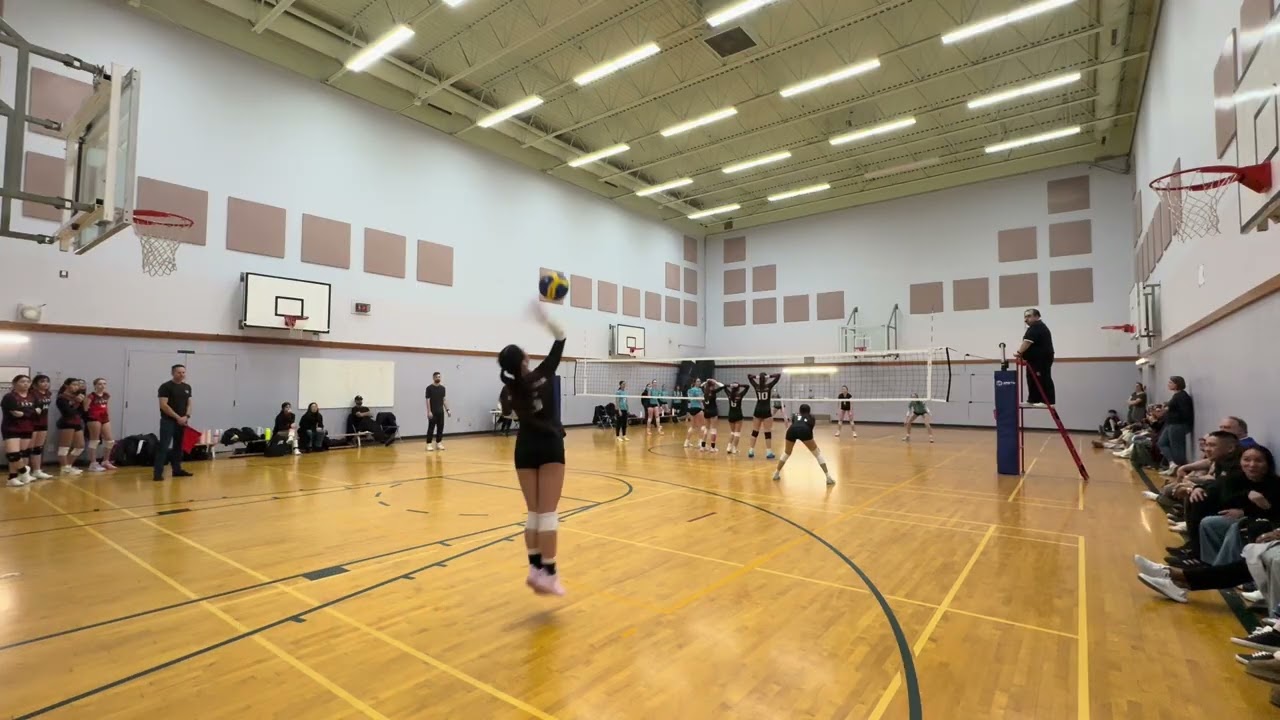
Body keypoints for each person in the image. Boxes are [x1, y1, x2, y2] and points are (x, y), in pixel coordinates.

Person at [498, 300, 568, 597]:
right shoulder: (543, 374)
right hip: (550, 447)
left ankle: (534, 567)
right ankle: (549, 574)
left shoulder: (509, 391)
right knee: (548, 515)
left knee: (533, 513)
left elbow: (508, 415)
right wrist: (544, 318)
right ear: (524, 358)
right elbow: (561, 337)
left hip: (524, 449)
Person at [773, 404, 835, 485]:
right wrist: (815, 447)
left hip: (791, 430)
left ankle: (776, 473)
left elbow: (795, 424)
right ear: (809, 411)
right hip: (805, 431)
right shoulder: (811, 417)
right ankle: (828, 477)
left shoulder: (795, 416)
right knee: (817, 454)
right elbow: (810, 430)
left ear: (800, 410)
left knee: (786, 453)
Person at [155, 364, 195, 482]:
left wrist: (186, 416)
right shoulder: (165, 387)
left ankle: (177, 470)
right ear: (173, 373)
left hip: (182, 422)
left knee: (178, 447)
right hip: (168, 421)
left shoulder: (187, 387)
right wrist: (178, 417)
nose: (182, 375)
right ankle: (158, 473)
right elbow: (163, 405)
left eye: (183, 372)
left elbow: (189, 403)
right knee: (164, 446)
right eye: (179, 372)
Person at [1013, 308, 1054, 406]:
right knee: (1031, 379)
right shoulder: (1033, 328)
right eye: (1025, 317)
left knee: (1043, 378)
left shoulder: (1037, 327)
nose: (1026, 319)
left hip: (1041, 359)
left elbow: (1027, 342)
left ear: (1037, 317)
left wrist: (1019, 352)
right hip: (1033, 360)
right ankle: (1033, 400)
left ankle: (1048, 401)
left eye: (1029, 316)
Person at [3, 374, 35, 486]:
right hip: (11, 428)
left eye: (28, 381)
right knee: (13, 455)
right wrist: (29, 412)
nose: (26, 383)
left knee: (21, 454)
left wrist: (25, 413)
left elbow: (37, 412)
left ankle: (12, 478)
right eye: (22, 381)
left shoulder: (32, 397)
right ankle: (24, 471)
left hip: (27, 428)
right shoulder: (9, 397)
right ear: (15, 383)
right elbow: (15, 413)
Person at [1157, 375, 1194, 471]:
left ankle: (1181, 468)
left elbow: (1185, 412)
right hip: (1171, 424)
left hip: (1178, 425)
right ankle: (1172, 463)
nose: (1168, 384)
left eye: (1171, 383)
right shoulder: (1176, 396)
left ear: (1177, 384)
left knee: (1177, 447)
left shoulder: (1182, 396)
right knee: (1162, 443)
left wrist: (1169, 410)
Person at [746, 372, 782, 459]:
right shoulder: (769, 386)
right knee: (767, 432)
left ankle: (751, 450)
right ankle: (768, 452)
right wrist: (768, 376)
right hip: (766, 410)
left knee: (755, 431)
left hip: (757, 410)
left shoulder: (756, 386)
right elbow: (778, 376)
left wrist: (756, 376)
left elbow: (749, 376)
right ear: (766, 379)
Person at [84, 377, 116, 472]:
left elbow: (106, 406)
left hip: (104, 418)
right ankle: (93, 463)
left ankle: (106, 461)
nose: (102, 386)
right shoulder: (91, 396)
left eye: (104, 384)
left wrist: (107, 416)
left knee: (110, 440)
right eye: (100, 384)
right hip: (94, 418)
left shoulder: (106, 395)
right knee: (95, 440)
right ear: (95, 386)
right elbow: (85, 409)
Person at [55, 378, 85, 476]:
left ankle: (68, 465)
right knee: (64, 447)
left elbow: (81, 411)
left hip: (76, 422)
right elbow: (68, 412)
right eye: (74, 384)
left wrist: (80, 402)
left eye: (77, 385)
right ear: (67, 385)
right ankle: (64, 468)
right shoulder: (62, 398)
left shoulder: (76, 397)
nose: (76, 387)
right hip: (67, 423)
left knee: (80, 446)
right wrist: (76, 402)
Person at [28, 374, 53, 481]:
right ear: (36, 383)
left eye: (47, 381)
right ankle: (25, 472)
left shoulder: (48, 393)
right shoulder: (32, 393)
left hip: (43, 422)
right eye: (42, 381)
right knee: (29, 448)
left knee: (38, 448)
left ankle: (37, 470)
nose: (45, 383)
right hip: (32, 423)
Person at [425, 372, 450, 451]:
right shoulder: (429, 388)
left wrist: (447, 410)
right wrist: (429, 411)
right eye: (436, 377)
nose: (438, 378)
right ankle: (429, 444)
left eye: (439, 377)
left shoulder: (443, 388)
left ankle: (438, 443)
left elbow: (444, 400)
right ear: (433, 378)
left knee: (440, 428)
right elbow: (427, 400)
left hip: (440, 412)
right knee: (431, 428)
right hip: (433, 412)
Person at [724, 382, 750, 454]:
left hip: (731, 415)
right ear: (738, 388)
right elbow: (747, 386)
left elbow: (724, 386)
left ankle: (729, 447)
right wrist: (739, 385)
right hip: (738, 415)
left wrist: (730, 385)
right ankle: (734, 449)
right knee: (737, 433)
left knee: (732, 432)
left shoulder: (729, 394)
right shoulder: (740, 395)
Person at [700, 378, 725, 452]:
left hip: (706, 412)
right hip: (713, 411)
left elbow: (701, 385)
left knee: (706, 429)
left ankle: (702, 446)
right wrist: (716, 382)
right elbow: (723, 386)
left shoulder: (705, 391)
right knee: (713, 429)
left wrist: (706, 381)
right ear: (713, 385)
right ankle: (712, 447)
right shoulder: (713, 391)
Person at [683, 378, 706, 450]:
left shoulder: (691, 390)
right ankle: (700, 442)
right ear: (695, 382)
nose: (699, 382)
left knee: (692, 426)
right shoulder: (697, 390)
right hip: (697, 408)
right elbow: (701, 399)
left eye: (699, 381)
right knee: (701, 426)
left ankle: (686, 442)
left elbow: (690, 399)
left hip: (691, 409)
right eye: (698, 381)